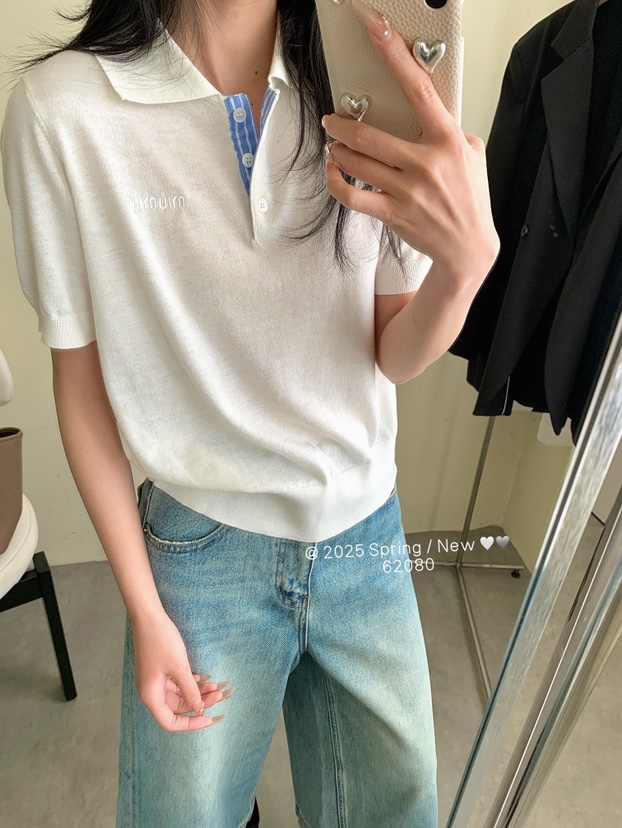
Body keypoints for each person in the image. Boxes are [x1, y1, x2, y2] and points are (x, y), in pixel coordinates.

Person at [0, 0, 499, 826]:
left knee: (397, 811)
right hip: (199, 551)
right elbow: (80, 389)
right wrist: (145, 608)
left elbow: (391, 352)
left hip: (365, 531)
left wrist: (465, 269)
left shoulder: (370, 77)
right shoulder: (62, 112)